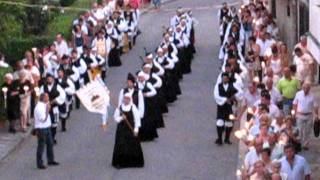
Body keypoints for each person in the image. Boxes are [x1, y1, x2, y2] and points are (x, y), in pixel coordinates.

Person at [112, 93, 144, 169]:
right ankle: (121, 162)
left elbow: (137, 119)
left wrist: (136, 129)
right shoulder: (119, 108)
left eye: (127, 99)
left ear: (130, 100)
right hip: (121, 130)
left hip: (130, 129)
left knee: (132, 145)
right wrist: (121, 118)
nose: (126, 100)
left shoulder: (133, 108)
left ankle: (133, 162)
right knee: (121, 144)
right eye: (125, 98)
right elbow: (115, 118)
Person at [34, 93, 59, 169]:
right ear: (43, 98)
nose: (48, 98)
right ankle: (39, 163)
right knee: (41, 146)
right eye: (47, 97)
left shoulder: (44, 104)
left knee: (50, 144)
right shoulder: (39, 108)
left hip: (47, 127)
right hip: (41, 128)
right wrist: (48, 110)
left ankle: (50, 160)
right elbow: (43, 119)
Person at [292, 82, 318, 150]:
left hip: (309, 115)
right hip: (300, 115)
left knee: (308, 130)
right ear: (302, 88)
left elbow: (315, 106)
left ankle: (306, 144)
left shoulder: (313, 95)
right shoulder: (298, 94)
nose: (306, 89)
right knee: (300, 129)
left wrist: (317, 115)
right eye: (304, 88)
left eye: (307, 88)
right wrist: (293, 113)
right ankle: (299, 143)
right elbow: (294, 104)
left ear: (309, 88)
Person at [214, 72, 238, 145]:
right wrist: (225, 100)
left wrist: (233, 99)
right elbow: (216, 96)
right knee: (219, 122)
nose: (224, 79)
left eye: (225, 78)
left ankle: (227, 138)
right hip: (221, 107)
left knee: (229, 123)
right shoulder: (218, 86)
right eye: (223, 78)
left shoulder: (232, 86)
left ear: (228, 79)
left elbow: (237, 93)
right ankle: (219, 138)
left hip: (228, 107)